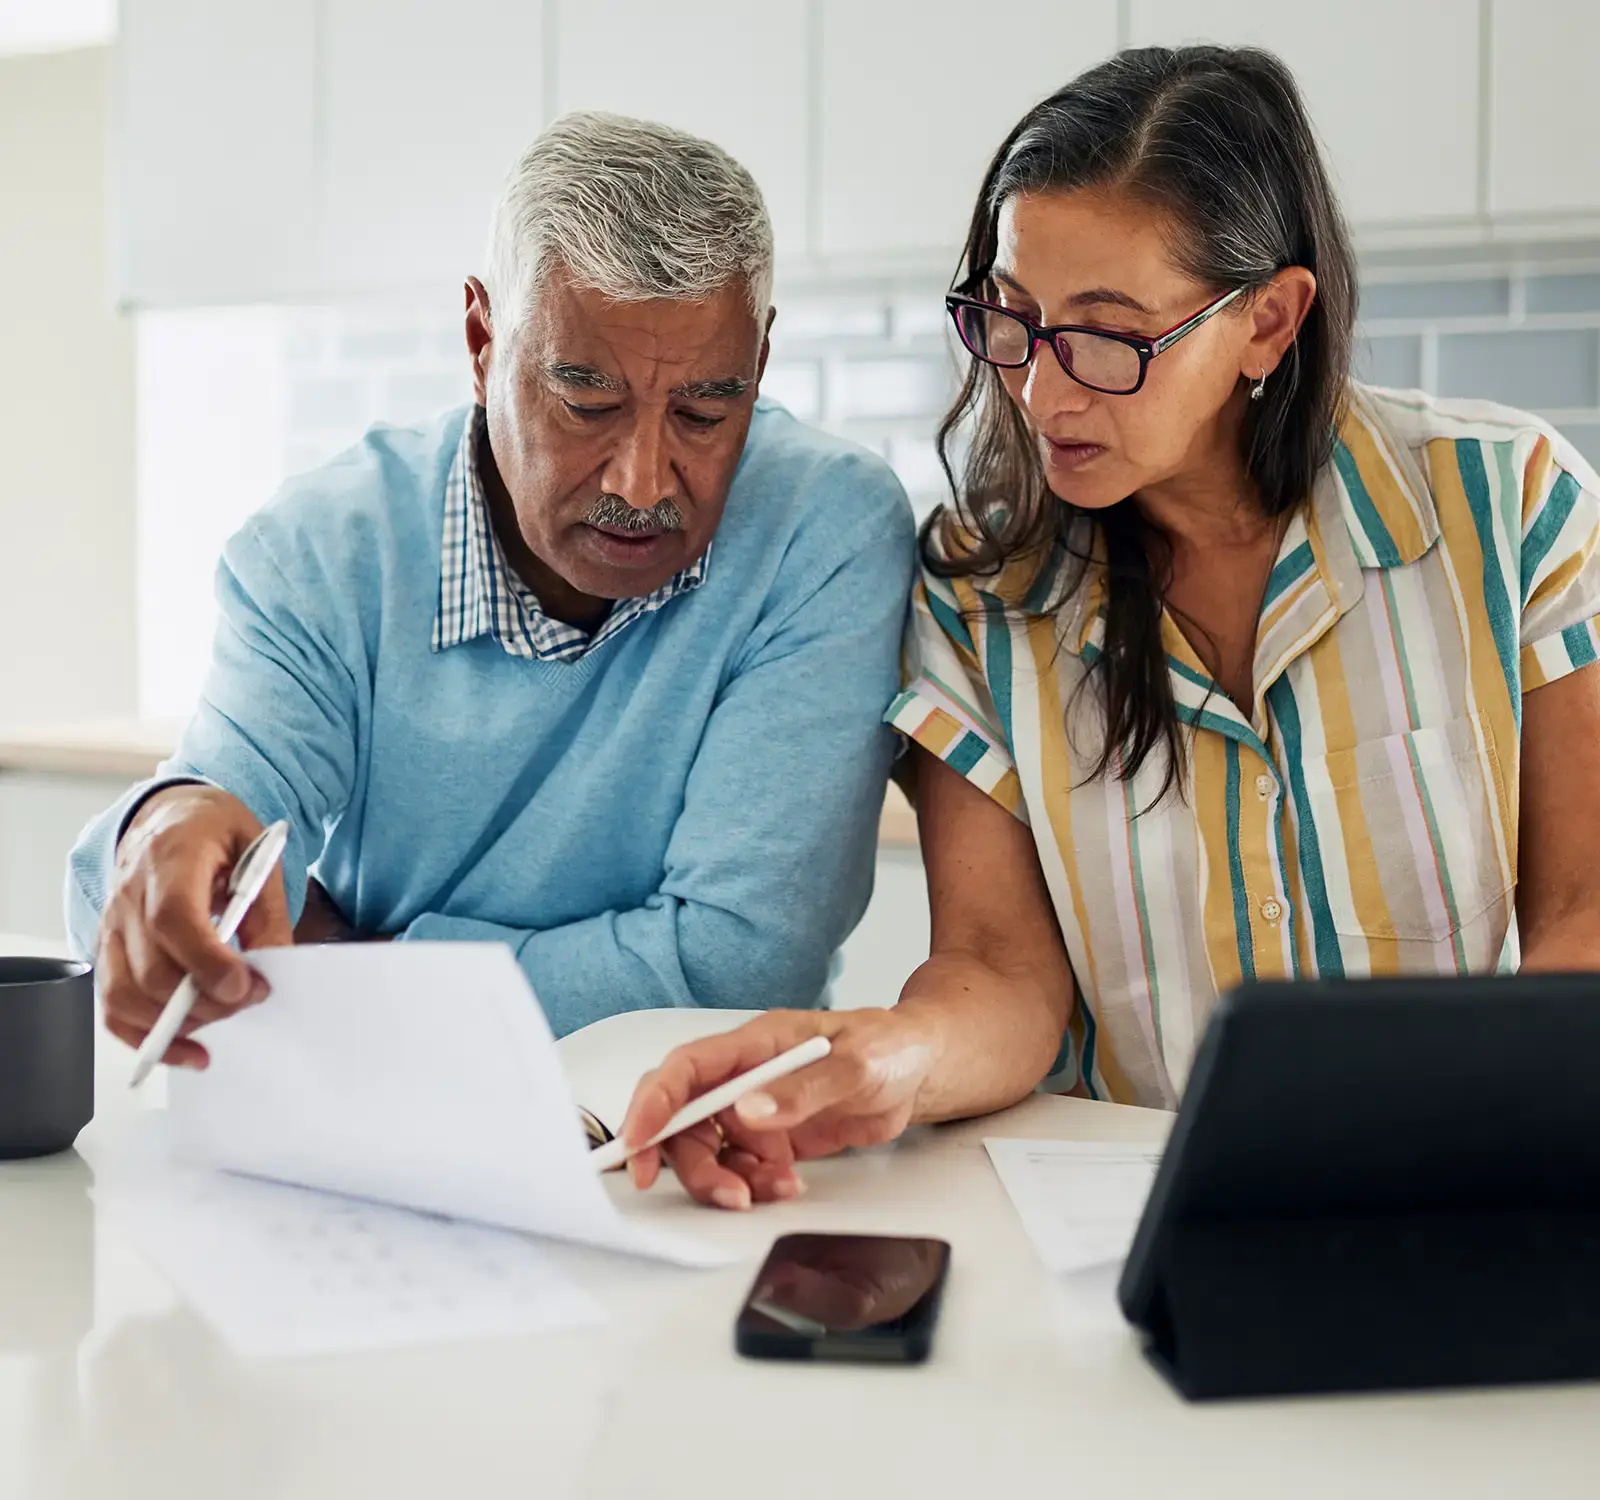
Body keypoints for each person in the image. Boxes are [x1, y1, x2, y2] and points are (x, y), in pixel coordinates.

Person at [620, 44, 1600, 1210]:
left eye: (1104, 334)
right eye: (1011, 317)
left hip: (1467, 1184)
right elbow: (998, 972)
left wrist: (1501, 1128)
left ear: (1269, 323)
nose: (1040, 390)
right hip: (1131, 1209)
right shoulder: (978, 587)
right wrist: (878, 1057)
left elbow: (1582, 910)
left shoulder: (1507, 506)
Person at [67, 112, 913, 1071]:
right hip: (357, 1120)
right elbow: (208, 839)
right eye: (587, 403)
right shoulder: (323, 551)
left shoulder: (824, 529)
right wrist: (167, 825)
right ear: (481, 340)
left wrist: (351, 967)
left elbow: (732, 969)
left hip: (694, 1133)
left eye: (705, 412)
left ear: (759, 362)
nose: (642, 481)